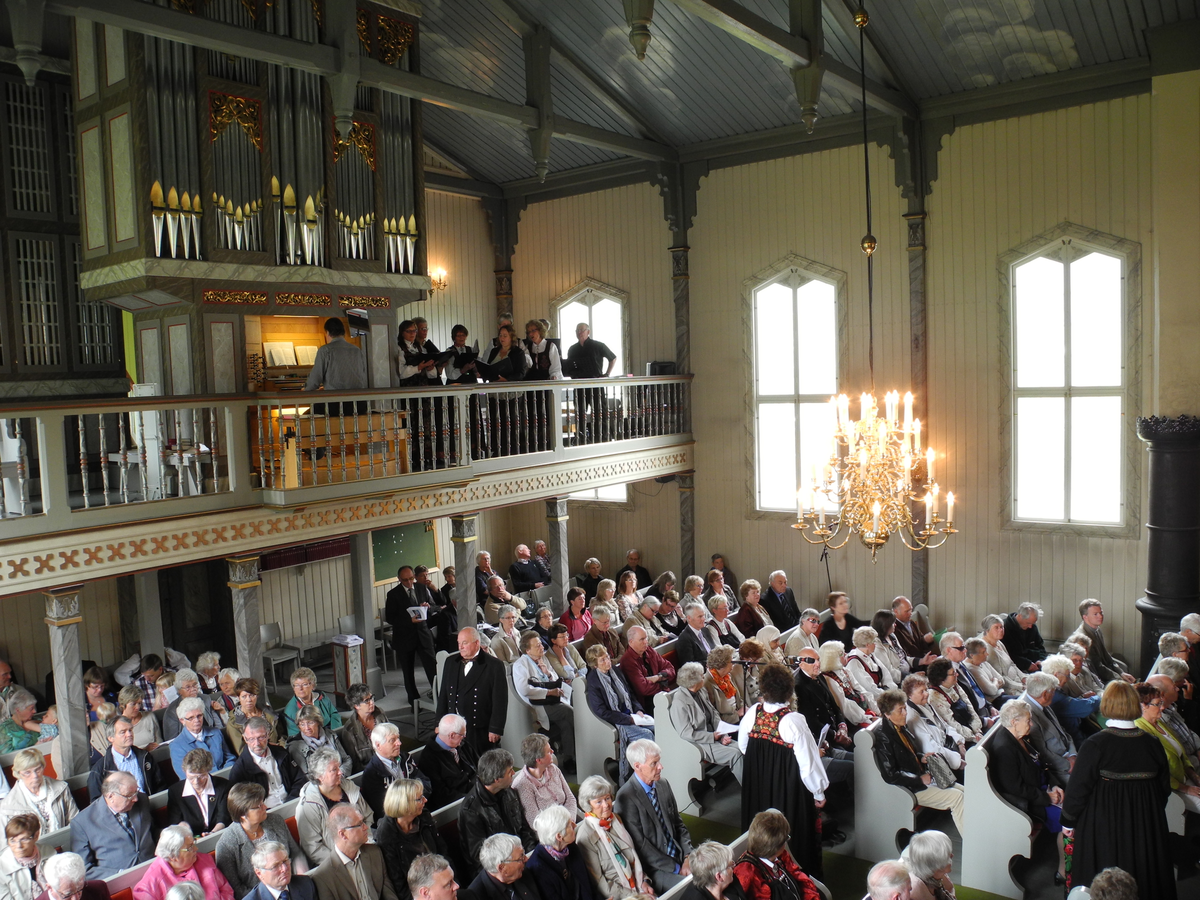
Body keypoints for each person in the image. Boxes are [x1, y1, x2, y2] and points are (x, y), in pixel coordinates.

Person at [1062, 682, 1175, 899]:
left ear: (1107, 705)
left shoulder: (1095, 744)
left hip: (1103, 826)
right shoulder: (1152, 743)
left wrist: (1068, 821)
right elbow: (1163, 788)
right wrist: (1147, 812)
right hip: (1146, 826)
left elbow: (1078, 789)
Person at [737, 663, 827, 875]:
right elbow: (809, 764)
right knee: (791, 833)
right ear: (789, 690)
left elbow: (743, 747)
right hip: (788, 791)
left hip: (758, 786)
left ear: (764, 689)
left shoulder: (752, 714)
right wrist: (818, 791)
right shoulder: (794, 721)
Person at [987, 701, 1065, 880]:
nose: (1031, 724)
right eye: (1028, 721)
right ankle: (1064, 870)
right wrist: (1047, 797)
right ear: (1014, 721)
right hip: (1033, 800)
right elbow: (1015, 788)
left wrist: (1055, 785)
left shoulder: (1021, 736)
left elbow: (1041, 765)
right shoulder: (1004, 748)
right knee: (1069, 819)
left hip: (1045, 790)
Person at [871, 690, 965, 833]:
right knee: (958, 798)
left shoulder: (901, 726)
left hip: (919, 777)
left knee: (965, 791)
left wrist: (921, 756)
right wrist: (919, 780)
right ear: (887, 714)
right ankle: (970, 842)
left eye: (904, 708)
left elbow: (910, 752)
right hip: (909, 788)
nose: (905, 713)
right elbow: (890, 774)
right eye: (900, 710)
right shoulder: (884, 736)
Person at [613, 740, 692, 892]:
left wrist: (688, 857)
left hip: (682, 857)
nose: (661, 767)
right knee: (694, 890)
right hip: (657, 869)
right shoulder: (626, 798)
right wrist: (677, 868)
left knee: (716, 874)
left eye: (659, 761)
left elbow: (679, 825)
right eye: (654, 763)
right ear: (637, 766)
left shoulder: (663, 784)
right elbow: (641, 847)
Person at [214, 783, 307, 898]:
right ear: (243, 814)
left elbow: (295, 852)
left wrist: (302, 878)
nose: (265, 807)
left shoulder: (275, 821)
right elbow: (235, 888)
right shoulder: (227, 845)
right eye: (258, 806)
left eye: (262, 802)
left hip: (292, 887)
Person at [458, 750, 537, 879]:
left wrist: (530, 856)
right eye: (509, 771)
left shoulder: (509, 792)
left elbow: (524, 829)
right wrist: (517, 863)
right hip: (500, 870)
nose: (513, 773)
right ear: (497, 779)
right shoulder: (471, 811)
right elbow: (481, 858)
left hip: (519, 858)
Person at [573, 776, 653, 899]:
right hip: (619, 896)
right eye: (598, 802)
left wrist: (644, 881)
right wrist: (634, 897)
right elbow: (600, 883)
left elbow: (632, 859)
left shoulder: (616, 820)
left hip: (638, 888)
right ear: (588, 805)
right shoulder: (585, 837)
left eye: (607, 798)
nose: (606, 805)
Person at [584, 646, 654, 783]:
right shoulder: (594, 681)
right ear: (594, 664)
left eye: (607, 657)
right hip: (615, 721)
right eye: (603, 659)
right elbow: (601, 711)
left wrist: (638, 710)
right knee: (647, 735)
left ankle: (652, 770)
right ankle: (643, 775)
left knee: (656, 727)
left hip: (631, 715)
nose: (608, 661)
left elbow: (630, 694)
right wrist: (628, 719)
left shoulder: (615, 670)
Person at [296, 748, 373, 866]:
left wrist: (367, 844)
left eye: (339, 767)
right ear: (319, 776)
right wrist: (342, 861)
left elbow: (367, 816)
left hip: (365, 849)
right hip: (336, 862)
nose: (340, 772)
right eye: (334, 770)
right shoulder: (308, 806)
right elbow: (313, 847)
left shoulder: (349, 787)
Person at [437, 628, 509, 754]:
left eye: (464, 643)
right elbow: (443, 694)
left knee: (481, 763)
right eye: (459, 643)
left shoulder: (494, 665)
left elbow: (500, 700)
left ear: (476, 643)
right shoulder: (451, 662)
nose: (460, 647)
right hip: (454, 728)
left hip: (480, 727)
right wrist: (439, 723)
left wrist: (495, 729)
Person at [70, 771, 154, 879]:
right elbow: (84, 869)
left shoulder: (142, 800)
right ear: (110, 796)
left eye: (136, 792)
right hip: (121, 882)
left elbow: (151, 831)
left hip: (153, 869)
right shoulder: (82, 823)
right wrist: (120, 875)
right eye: (129, 795)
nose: (135, 799)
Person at [376, 780, 449, 900]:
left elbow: (442, 851)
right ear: (405, 804)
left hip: (441, 879)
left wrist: (451, 882)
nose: (425, 800)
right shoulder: (386, 835)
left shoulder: (423, 816)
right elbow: (399, 883)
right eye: (420, 799)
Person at [309, 804, 399, 900]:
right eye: (360, 824)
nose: (366, 827)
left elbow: (388, 893)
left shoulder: (374, 853)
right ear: (343, 834)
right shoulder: (323, 877)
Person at [1135, 682, 1200, 813]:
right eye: (1158, 704)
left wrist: (1194, 776)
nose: (1162, 707)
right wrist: (1185, 788)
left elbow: (1181, 753)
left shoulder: (1158, 722)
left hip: (1184, 778)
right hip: (1172, 789)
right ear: (1143, 706)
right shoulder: (1140, 731)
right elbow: (1156, 771)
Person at [672, 664, 744, 782]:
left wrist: (723, 734)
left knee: (743, 749)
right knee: (736, 755)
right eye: (701, 675)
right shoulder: (679, 702)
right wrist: (712, 736)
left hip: (715, 735)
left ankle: (755, 786)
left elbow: (714, 714)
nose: (704, 677)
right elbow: (686, 733)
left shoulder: (701, 691)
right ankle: (750, 792)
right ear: (694, 681)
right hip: (701, 743)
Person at [513, 636, 576, 769]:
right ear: (528, 650)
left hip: (552, 700)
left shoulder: (543, 659)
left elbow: (554, 677)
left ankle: (569, 758)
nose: (542, 647)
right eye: (537, 646)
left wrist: (547, 673)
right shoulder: (520, 665)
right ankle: (584, 747)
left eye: (541, 644)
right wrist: (549, 692)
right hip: (537, 705)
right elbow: (525, 689)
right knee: (569, 712)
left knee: (565, 724)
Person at [794, 651, 854, 789]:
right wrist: (837, 736)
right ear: (801, 663)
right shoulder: (799, 685)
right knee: (854, 764)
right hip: (825, 738)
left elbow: (834, 706)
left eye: (818, 659)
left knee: (865, 750)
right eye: (812, 661)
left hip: (837, 730)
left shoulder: (819, 675)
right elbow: (812, 722)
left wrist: (842, 726)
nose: (817, 664)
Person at [732, 810, 820, 900]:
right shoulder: (748, 872)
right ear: (777, 847)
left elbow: (800, 879)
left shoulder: (781, 856)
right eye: (787, 838)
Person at [387, 566, 441, 710]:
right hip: (404, 637)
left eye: (411, 578)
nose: (410, 582)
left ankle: (439, 697)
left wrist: (427, 607)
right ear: (399, 579)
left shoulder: (422, 588)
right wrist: (408, 620)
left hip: (423, 634)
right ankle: (414, 703)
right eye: (405, 580)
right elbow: (390, 618)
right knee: (408, 672)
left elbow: (435, 607)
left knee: (432, 667)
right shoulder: (393, 594)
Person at [132, 824, 235, 900]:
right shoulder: (148, 888)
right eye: (189, 847)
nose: (196, 848)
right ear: (173, 856)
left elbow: (226, 890)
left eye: (193, 843)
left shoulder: (204, 860)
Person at [228, 717, 303, 809]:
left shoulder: (282, 753)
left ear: (268, 735)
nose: (257, 743)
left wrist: (291, 801)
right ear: (245, 738)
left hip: (295, 802)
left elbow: (299, 779)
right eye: (251, 739)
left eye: (261, 737)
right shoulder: (240, 769)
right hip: (265, 813)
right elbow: (242, 804)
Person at [525, 805, 598, 900]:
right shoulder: (538, 868)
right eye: (569, 825)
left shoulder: (571, 847)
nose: (574, 825)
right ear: (559, 837)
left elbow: (586, 885)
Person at [361, 723, 429, 824]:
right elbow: (383, 808)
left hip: (419, 810)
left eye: (398, 738)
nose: (399, 743)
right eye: (392, 740)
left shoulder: (405, 758)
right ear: (378, 745)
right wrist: (413, 802)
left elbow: (425, 783)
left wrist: (418, 801)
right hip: (396, 823)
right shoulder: (372, 774)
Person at [1018, 672, 1076, 788]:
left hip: (1070, 758)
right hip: (1058, 769)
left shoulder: (1043, 703)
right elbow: (1042, 753)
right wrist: (1068, 765)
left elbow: (1063, 732)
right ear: (1045, 694)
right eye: (1053, 691)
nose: (1054, 694)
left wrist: (1073, 754)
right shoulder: (1027, 714)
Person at [902, 675, 964, 780]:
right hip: (943, 763)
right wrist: (957, 761)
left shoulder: (925, 705)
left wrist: (959, 742)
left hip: (951, 749)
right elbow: (930, 748)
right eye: (921, 692)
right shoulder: (912, 717)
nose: (926, 694)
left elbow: (945, 726)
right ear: (910, 695)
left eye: (926, 690)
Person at [2, 749, 78, 833]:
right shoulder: (7, 806)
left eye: (38, 769)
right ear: (18, 774)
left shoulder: (61, 788)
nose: (34, 776)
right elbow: (6, 842)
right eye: (27, 772)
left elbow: (75, 820)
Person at [417, 715, 478, 810]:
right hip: (460, 805)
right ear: (452, 735)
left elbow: (480, 766)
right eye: (462, 734)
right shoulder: (429, 759)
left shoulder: (462, 744)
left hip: (477, 792)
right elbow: (440, 795)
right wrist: (471, 799)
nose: (464, 737)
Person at [166, 749, 231, 837]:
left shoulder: (224, 786)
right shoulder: (175, 791)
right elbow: (175, 821)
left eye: (201, 776)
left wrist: (212, 834)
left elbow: (224, 818)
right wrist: (183, 827)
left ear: (208, 770)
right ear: (185, 771)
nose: (196, 782)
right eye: (191, 777)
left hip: (221, 834)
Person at [1041, 655, 1101, 747]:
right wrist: (1100, 697)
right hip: (1074, 741)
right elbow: (1088, 707)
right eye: (1067, 675)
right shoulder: (1053, 695)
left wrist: (1082, 697)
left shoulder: (1048, 688)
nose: (1068, 679)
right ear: (1056, 675)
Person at [304, 316, 368, 402]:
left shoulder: (325, 350)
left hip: (335, 402)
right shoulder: (357, 350)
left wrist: (306, 389)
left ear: (327, 332)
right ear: (343, 333)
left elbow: (315, 379)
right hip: (358, 401)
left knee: (308, 414)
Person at [170, 696, 230, 779]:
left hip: (226, 778)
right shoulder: (177, 745)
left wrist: (226, 774)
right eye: (191, 718)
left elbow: (229, 758)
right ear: (182, 721)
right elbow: (185, 776)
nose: (197, 720)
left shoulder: (215, 732)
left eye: (199, 716)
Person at [925, 659, 981, 745]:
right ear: (942, 679)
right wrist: (973, 737)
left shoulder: (954, 684)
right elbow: (951, 723)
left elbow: (969, 706)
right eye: (953, 673)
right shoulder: (934, 696)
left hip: (973, 730)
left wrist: (977, 729)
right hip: (962, 739)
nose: (957, 674)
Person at [467, 834, 540, 900]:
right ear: (502, 868)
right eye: (520, 858)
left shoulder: (522, 872)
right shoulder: (476, 896)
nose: (526, 859)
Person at [1077, 599, 1133, 684]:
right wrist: (1118, 677)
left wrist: (1121, 672)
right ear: (1085, 617)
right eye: (1095, 614)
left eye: (1101, 613)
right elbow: (1096, 666)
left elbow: (1105, 654)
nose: (1100, 616)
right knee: (1120, 682)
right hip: (1092, 674)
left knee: (1123, 666)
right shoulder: (1083, 638)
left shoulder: (1097, 629)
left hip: (1101, 664)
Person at [818, 640, 872, 727]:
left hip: (864, 712)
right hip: (853, 721)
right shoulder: (829, 679)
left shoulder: (845, 671)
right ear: (833, 658)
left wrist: (875, 710)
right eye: (842, 653)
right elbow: (845, 707)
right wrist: (867, 718)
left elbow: (861, 690)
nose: (846, 654)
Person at [620, 625, 676, 709]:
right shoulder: (628, 661)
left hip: (663, 695)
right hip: (647, 704)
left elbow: (671, 669)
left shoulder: (649, 650)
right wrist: (663, 683)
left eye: (646, 638)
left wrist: (658, 677)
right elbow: (643, 689)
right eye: (642, 639)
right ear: (631, 642)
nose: (646, 642)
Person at [290, 705, 352, 778]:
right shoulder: (295, 746)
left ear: (318, 722)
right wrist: (328, 780)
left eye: (310, 723)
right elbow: (305, 776)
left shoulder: (331, 735)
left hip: (342, 777)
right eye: (302, 724)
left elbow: (346, 760)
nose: (307, 728)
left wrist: (340, 774)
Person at [280, 668, 342, 739]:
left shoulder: (322, 697)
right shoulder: (290, 710)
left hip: (330, 734)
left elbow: (334, 714)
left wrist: (334, 733)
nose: (300, 688)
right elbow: (294, 736)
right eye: (296, 685)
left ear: (312, 685)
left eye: (304, 684)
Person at [845, 627, 895, 713]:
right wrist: (889, 695)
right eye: (874, 642)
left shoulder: (871, 655)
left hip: (884, 696)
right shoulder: (854, 662)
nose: (875, 644)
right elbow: (870, 689)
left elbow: (887, 675)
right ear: (868, 644)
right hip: (873, 703)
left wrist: (892, 689)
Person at [0, 814, 51, 900]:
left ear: (36, 836)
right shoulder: (2, 868)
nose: (19, 846)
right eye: (12, 841)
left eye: (24, 839)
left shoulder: (49, 852)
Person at [225, 678, 281, 755]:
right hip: (256, 759)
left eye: (252, 695)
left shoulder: (268, 713)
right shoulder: (234, 723)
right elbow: (241, 751)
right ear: (238, 698)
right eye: (244, 696)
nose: (249, 700)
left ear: (257, 696)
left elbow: (281, 737)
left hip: (277, 753)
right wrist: (270, 749)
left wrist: (282, 748)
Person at [244, 841, 317, 900]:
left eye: (285, 861)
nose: (284, 869)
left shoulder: (305, 883)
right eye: (275, 866)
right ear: (259, 873)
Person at [162, 669, 220, 740]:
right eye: (188, 687)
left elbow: (218, 725)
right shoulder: (172, 711)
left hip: (212, 738)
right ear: (179, 690)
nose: (193, 689)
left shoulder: (205, 699)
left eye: (194, 685)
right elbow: (172, 739)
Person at [899, 830, 956, 900]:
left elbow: (950, 890)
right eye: (948, 856)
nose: (952, 855)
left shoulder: (936, 875)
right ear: (936, 864)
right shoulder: (915, 890)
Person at [979, 614, 1026, 696]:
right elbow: (1000, 677)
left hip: (1017, 681)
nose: (1001, 630)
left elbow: (1012, 664)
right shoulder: (987, 649)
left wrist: (1024, 678)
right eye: (996, 627)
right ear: (987, 630)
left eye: (1002, 627)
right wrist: (1021, 686)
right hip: (1008, 688)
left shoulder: (999, 643)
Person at [962, 637, 1014, 707]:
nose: (987, 654)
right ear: (972, 655)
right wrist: (995, 680)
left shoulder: (983, 662)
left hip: (1001, 694)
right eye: (983, 652)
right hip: (994, 702)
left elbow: (1002, 679)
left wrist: (994, 683)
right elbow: (992, 691)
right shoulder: (971, 669)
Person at [35, 853, 109, 900]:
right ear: (50, 888)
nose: (76, 899)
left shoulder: (98, 889)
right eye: (68, 895)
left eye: (80, 889)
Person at [704, 647, 745, 725]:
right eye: (731, 662)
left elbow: (738, 699)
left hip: (740, 715)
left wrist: (744, 708)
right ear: (723, 664)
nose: (733, 664)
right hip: (729, 723)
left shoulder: (728, 675)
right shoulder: (707, 684)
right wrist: (737, 715)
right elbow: (714, 715)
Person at [892, 597, 937, 669]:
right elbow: (904, 653)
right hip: (912, 665)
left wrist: (926, 640)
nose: (910, 613)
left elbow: (920, 643)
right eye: (907, 611)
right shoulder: (894, 628)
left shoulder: (911, 623)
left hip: (922, 660)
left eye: (911, 610)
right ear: (896, 611)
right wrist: (921, 660)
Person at [1002, 603, 1047, 673]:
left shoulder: (1032, 627)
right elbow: (1007, 655)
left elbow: (1041, 647)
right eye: (1028, 623)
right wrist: (1026, 664)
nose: (1030, 627)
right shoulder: (1005, 628)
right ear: (1020, 616)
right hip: (1015, 669)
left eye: (1033, 623)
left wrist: (1041, 660)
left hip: (1036, 666)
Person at [675, 603, 719, 669]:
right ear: (689, 618)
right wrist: (711, 663)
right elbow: (689, 666)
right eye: (700, 616)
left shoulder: (705, 630)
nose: (703, 619)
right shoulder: (684, 639)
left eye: (703, 615)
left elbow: (713, 649)